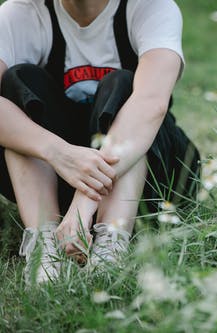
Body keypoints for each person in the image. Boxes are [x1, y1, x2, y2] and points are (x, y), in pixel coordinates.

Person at [0, 0, 200, 284]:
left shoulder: (151, 7)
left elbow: (152, 103)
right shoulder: (20, 13)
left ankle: (110, 244)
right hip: (59, 176)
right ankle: (45, 244)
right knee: (19, 81)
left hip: (147, 177)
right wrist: (60, 154)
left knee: (124, 84)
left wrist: (86, 199)